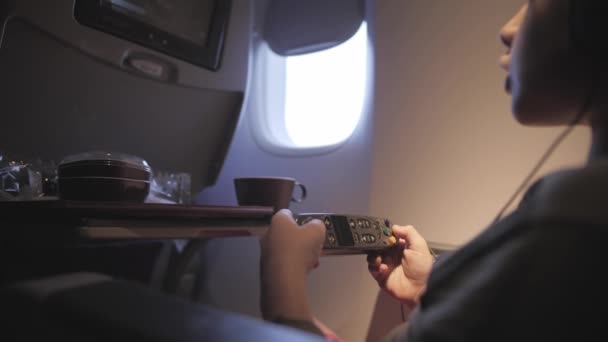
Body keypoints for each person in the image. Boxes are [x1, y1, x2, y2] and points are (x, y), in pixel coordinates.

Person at [260, 1, 608, 341]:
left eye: (531, 5)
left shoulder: (569, 222)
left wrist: (283, 284)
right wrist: (429, 295)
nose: (508, 30)